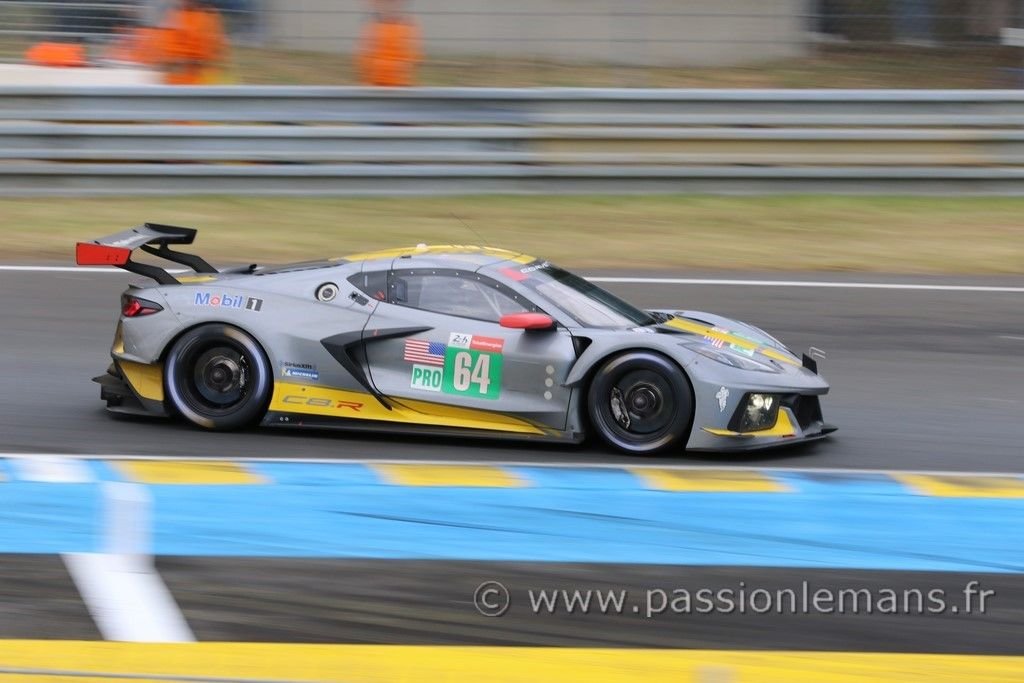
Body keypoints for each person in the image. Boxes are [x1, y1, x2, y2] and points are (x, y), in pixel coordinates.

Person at [160, 0, 228, 85]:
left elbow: (217, 53)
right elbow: (167, 57)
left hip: (204, 82)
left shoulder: (209, 16)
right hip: (178, 84)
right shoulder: (174, 16)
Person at [356, 0, 421, 87]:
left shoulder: (407, 28)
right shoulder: (373, 28)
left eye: (394, 5)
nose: (390, 9)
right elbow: (365, 56)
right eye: (386, 5)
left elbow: (413, 57)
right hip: (376, 84)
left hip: (400, 85)